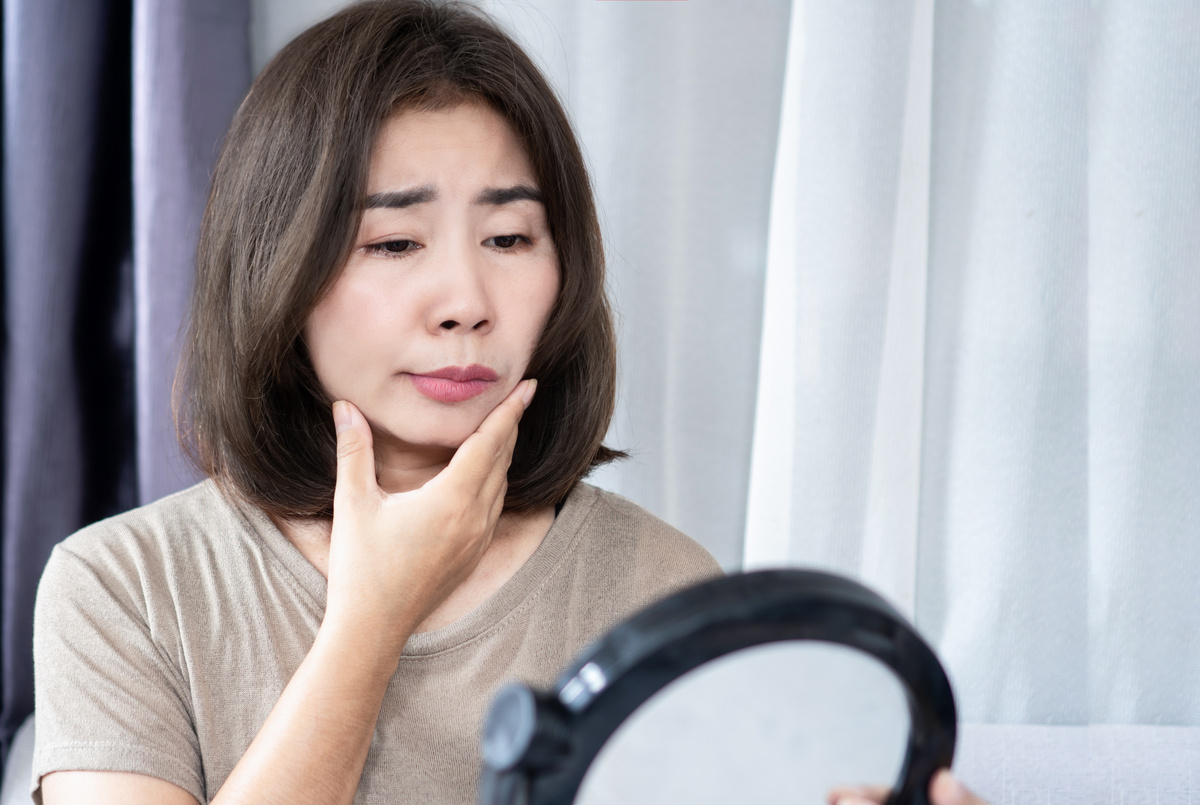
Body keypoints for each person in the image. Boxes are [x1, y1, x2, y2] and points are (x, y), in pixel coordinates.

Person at [30, 2, 991, 804]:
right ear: (278, 272)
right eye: (394, 243)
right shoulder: (123, 590)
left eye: (511, 237)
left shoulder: (657, 587)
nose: (465, 304)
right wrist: (372, 617)